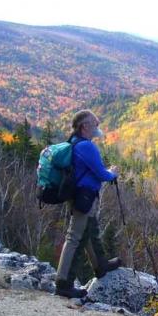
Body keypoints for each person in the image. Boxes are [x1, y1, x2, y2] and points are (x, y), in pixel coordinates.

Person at [55, 109, 122, 298]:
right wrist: (113, 173)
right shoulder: (87, 147)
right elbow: (101, 174)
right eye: (95, 122)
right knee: (75, 237)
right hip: (84, 196)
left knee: (90, 230)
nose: (98, 124)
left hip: (78, 194)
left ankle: (100, 265)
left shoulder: (75, 143)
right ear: (85, 126)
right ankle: (63, 282)